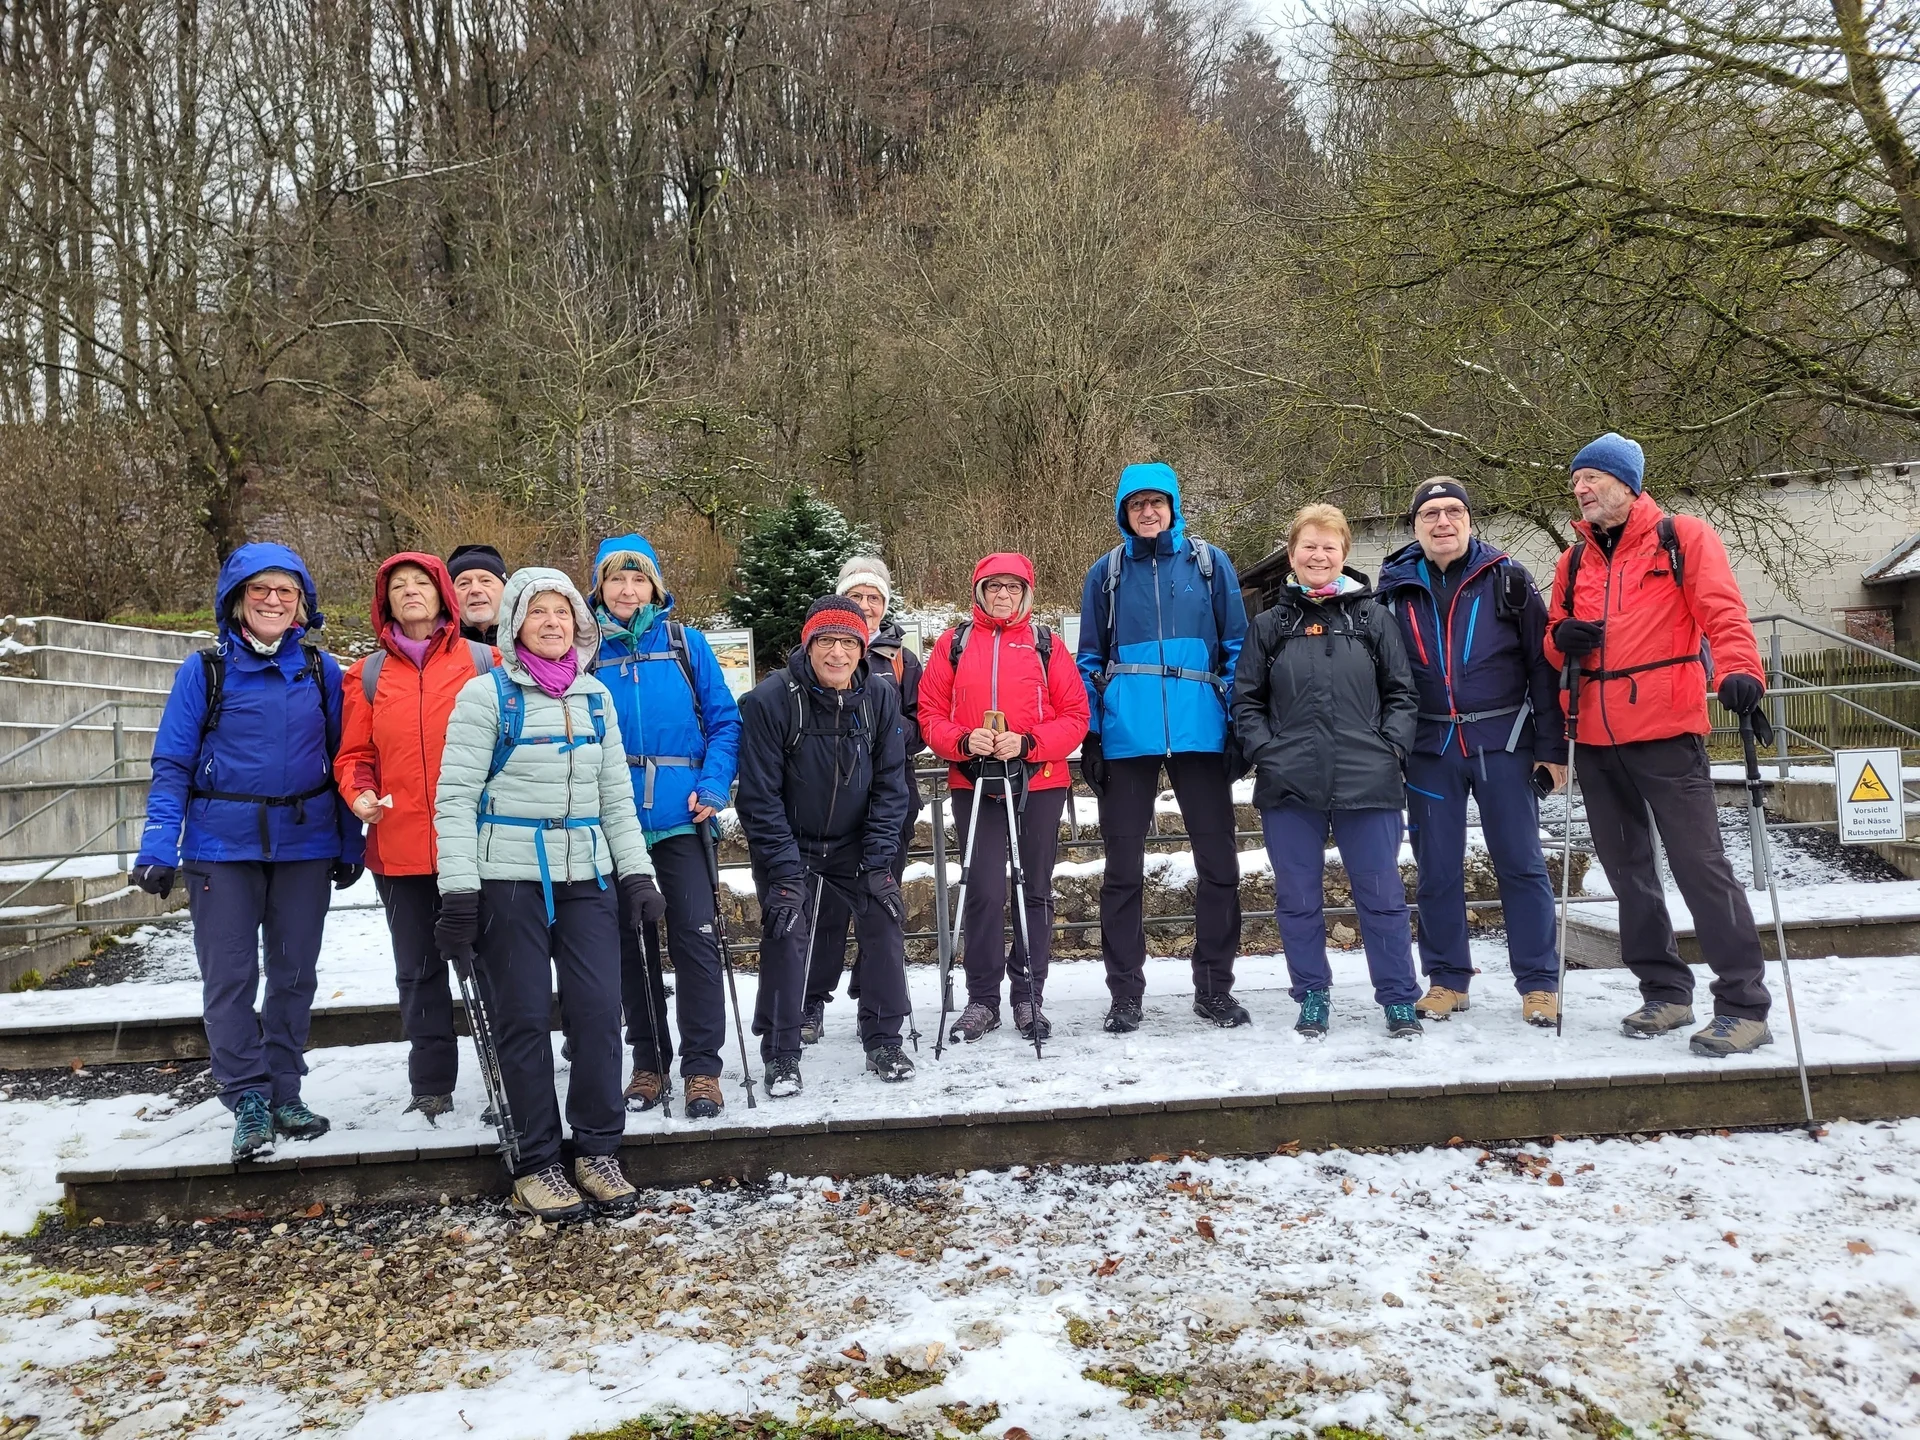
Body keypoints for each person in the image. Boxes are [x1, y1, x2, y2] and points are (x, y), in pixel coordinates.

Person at [432, 567, 665, 1220]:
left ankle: (597, 1148)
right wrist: (458, 892)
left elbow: (617, 798)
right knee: (525, 1018)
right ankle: (536, 1161)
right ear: (514, 626)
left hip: (586, 876)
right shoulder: (486, 698)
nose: (554, 623)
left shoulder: (595, 699)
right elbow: (453, 800)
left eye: (564, 613)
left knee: (597, 1013)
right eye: (539, 613)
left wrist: (636, 874)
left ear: (580, 625)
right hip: (508, 879)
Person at [1543, 432, 1775, 1056]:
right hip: (1593, 734)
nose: (1581, 489)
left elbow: (1722, 612)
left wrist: (1741, 672)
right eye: (1576, 481)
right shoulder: (1572, 563)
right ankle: (1665, 992)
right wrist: (1560, 635)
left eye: (1590, 478)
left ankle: (1744, 1004)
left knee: (1701, 868)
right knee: (1628, 875)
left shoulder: (1682, 538)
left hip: (1667, 730)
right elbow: (1550, 640)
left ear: (1626, 482)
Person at [131, 544, 364, 1161]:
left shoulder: (321, 671)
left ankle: (285, 1088)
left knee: (294, 974)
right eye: (259, 590)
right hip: (220, 847)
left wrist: (348, 841)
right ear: (236, 599)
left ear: (301, 606)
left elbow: (345, 761)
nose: (272, 600)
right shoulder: (203, 671)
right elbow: (172, 761)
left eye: (285, 592)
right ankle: (247, 1097)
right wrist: (159, 843)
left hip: (305, 842)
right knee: (230, 977)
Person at [1377, 479, 1569, 1027]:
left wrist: (1551, 749)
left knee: (1522, 863)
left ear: (1469, 519)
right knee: (1437, 868)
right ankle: (1446, 980)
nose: (1443, 522)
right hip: (1429, 747)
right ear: (1414, 525)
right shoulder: (1392, 590)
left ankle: (1538, 983)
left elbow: (1543, 665)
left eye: (1454, 511)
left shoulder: (1508, 579)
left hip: (1503, 742)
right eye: (1431, 514)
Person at [1234, 504, 1423, 1038]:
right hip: (1290, 783)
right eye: (1308, 547)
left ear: (1344, 554)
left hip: (1370, 780)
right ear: (1292, 556)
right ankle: (1312, 993)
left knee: (1382, 896)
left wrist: (1390, 749)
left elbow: (1402, 694)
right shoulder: (1270, 625)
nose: (1318, 556)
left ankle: (1397, 998)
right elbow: (1245, 701)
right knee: (1297, 898)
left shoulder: (1373, 618)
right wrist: (1267, 752)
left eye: (1329, 546)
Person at [1075, 461, 1249, 1032]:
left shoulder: (1208, 563)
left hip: (1202, 732)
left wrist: (1237, 726)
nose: (1148, 512)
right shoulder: (1106, 574)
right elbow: (1090, 659)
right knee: (1121, 872)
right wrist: (1094, 734)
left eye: (1157, 502)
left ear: (1174, 507)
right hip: (1128, 736)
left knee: (1219, 865)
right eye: (1136, 504)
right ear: (1123, 514)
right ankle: (1125, 992)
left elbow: (1236, 646)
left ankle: (1214, 986)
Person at [335, 553, 497, 1122]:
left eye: (420, 584)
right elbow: (354, 755)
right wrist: (358, 794)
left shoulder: (485, 661)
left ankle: (506, 1082)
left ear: (442, 596)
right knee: (419, 970)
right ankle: (431, 1085)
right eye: (398, 586)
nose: (410, 593)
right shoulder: (368, 674)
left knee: (490, 966)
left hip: (478, 845)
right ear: (385, 601)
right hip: (398, 847)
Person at [588, 533, 742, 1120]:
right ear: (599, 586)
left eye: (639, 578)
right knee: (632, 949)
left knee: (697, 943)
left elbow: (726, 721)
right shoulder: (582, 648)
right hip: (613, 822)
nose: (628, 590)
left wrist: (712, 783)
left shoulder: (686, 643)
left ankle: (702, 1067)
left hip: (682, 817)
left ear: (655, 585)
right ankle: (648, 1060)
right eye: (616, 579)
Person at [735, 596, 914, 1095]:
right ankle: (782, 1050)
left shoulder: (880, 698)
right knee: (788, 927)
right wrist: (785, 872)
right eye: (827, 641)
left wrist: (879, 861)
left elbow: (890, 786)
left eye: (849, 642)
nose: (838, 653)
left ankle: (883, 1037)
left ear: (863, 648)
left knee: (882, 917)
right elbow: (759, 795)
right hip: (789, 839)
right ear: (808, 644)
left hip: (856, 841)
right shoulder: (771, 699)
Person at [920, 554, 1089, 1042]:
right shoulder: (954, 645)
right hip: (975, 782)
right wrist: (962, 740)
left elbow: (1075, 714)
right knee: (984, 889)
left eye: (1013, 588)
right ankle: (982, 999)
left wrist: (1030, 743)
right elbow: (930, 712)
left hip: (1038, 780)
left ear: (1026, 594)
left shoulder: (1045, 644)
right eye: (993, 587)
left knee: (1032, 889)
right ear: (979, 592)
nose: (1003, 595)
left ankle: (1029, 994)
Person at [799, 555, 924, 1046]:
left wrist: (882, 731)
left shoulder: (901, 660)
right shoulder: (822, 650)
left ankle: (875, 999)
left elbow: (922, 721)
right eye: (857, 596)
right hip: (827, 807)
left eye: (875, 598)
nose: (866, 605)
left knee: (880, 905)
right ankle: (812, 998)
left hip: (889, 804)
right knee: (824, 909)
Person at [447, 543, 507, 645]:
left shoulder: (529, 643)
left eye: (485, 581)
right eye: (464, 583)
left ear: (505, 589)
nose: (475, 590)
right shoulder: (439, 646)